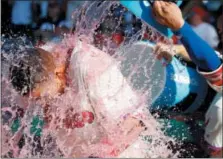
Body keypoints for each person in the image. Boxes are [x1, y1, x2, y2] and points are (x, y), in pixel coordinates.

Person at [7, 35, 174, 158]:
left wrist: (103, 154)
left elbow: (136, 123)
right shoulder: (35, 67)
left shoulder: (91, 70)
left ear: (58, 74)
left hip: (130, 148)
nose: (42, 105)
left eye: (42, 98)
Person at [152, 1, 222, 157]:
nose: (219, 28)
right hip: (200, 136)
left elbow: (214, 68)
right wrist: (175, 49)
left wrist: (179, 26)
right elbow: (213, 57)